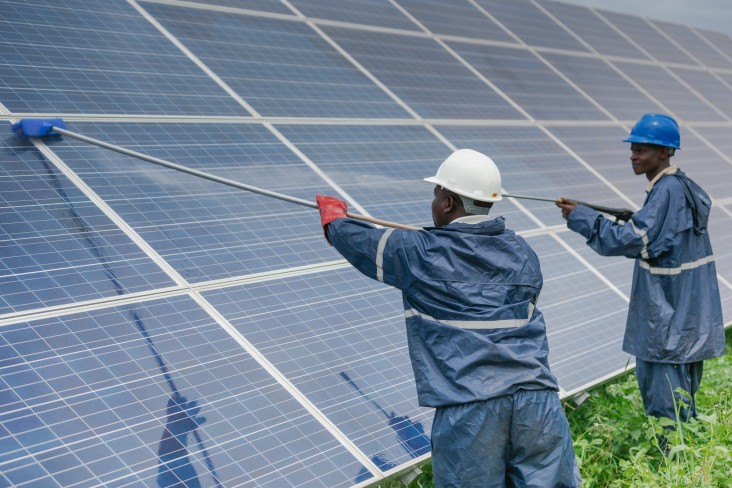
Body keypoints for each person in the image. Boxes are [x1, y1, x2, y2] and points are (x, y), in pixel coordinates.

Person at [316, 149, 580, 487]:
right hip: (538, 403)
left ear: (448, 203)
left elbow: (359, 242)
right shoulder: (523, 253)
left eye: (436, 193)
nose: (434, 201)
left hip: (472, 409)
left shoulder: (420, 252)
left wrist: (335, 218)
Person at [556, 113, 725, 424]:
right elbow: (664, 238)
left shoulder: (667, 192)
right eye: (632, 149)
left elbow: (633, 240)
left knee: (668, 418)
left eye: (642, 150)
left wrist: (582, 218)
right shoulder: (681, 186)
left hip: (666, 329)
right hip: (685, 323)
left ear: (664, 153)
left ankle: (673, 470)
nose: (633, 156)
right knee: (681, 412)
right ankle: (687, 470)